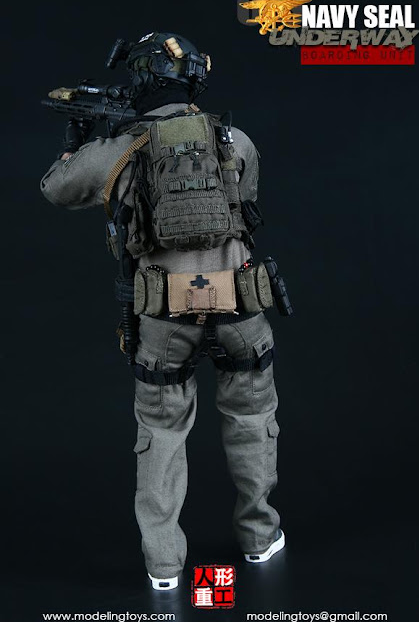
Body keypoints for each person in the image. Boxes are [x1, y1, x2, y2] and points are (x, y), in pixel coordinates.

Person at [40, 32, 284, 591]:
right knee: (252, 418)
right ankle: (259, 536)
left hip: (164, 314)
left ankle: (165, 566)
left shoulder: (119, 149)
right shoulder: (236, 139)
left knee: (162, 430)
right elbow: (247, 206)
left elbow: (55, 189)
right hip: (240, 305)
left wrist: (76, 144)